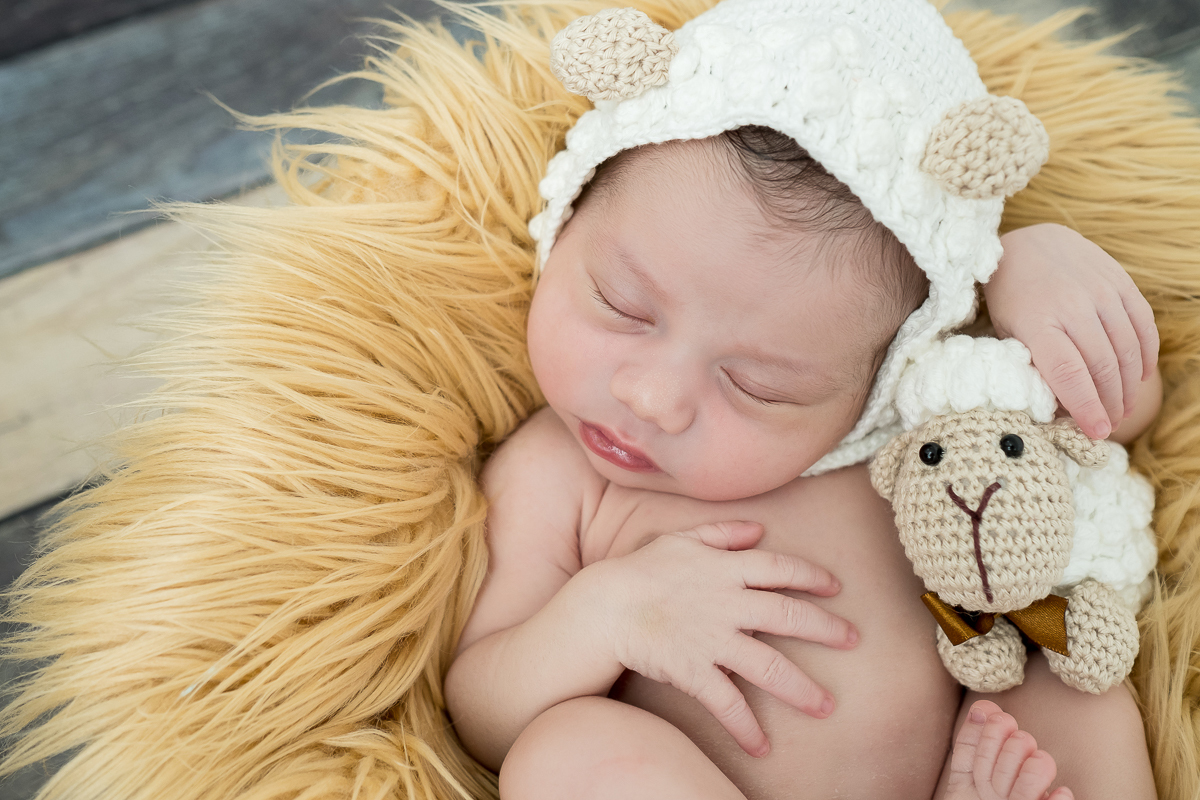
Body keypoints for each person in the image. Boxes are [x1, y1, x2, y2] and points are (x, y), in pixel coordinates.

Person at [444, 2, 1162, 798]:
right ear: (566, 218)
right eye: (622, 305)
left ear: (882, 369)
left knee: (1071, 692)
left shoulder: (917, 412)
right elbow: (483, 712)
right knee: (564, 752)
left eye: (757, 386)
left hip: (959, 775)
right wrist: (608, 614)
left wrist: (1032, 270)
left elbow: (1111, 418)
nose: (652, 398)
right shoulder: (556, 471)